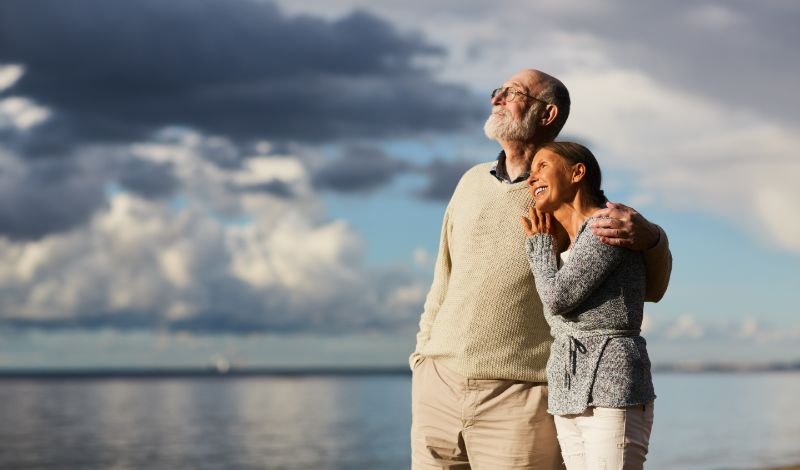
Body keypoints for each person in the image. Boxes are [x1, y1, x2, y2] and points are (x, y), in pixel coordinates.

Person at [410, 68, 671, 469]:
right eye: (498, 90)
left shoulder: (565, 200)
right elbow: (442, 279)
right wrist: (422, 359)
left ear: (547, 115)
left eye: (512, 93)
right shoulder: (469, 182)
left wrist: (654, 238)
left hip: (523, 398)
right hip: (438, 388)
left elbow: (647, 287)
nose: (497, 98)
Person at [521, 142, 655, 469]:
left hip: (611, 381)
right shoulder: (571, 241)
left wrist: (540, 249)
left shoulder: (605, 226)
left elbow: (557, 299)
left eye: (541, 166)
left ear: (577, 172)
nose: (530, 178)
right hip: (568, 387)